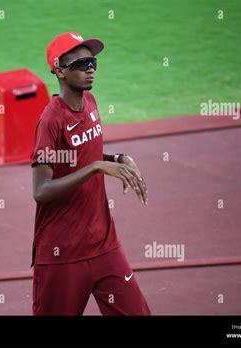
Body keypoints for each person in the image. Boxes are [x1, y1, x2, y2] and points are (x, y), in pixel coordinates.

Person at [31, 32, 151, 315]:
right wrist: (97, 167)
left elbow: (82, 155)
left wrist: (118, 159)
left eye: (93, 62)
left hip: (104, 244)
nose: (91, 69)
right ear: (59, 70)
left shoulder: (91, 103)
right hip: (63, 253)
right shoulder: (50, 120)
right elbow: (41, 190)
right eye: (82, 63)